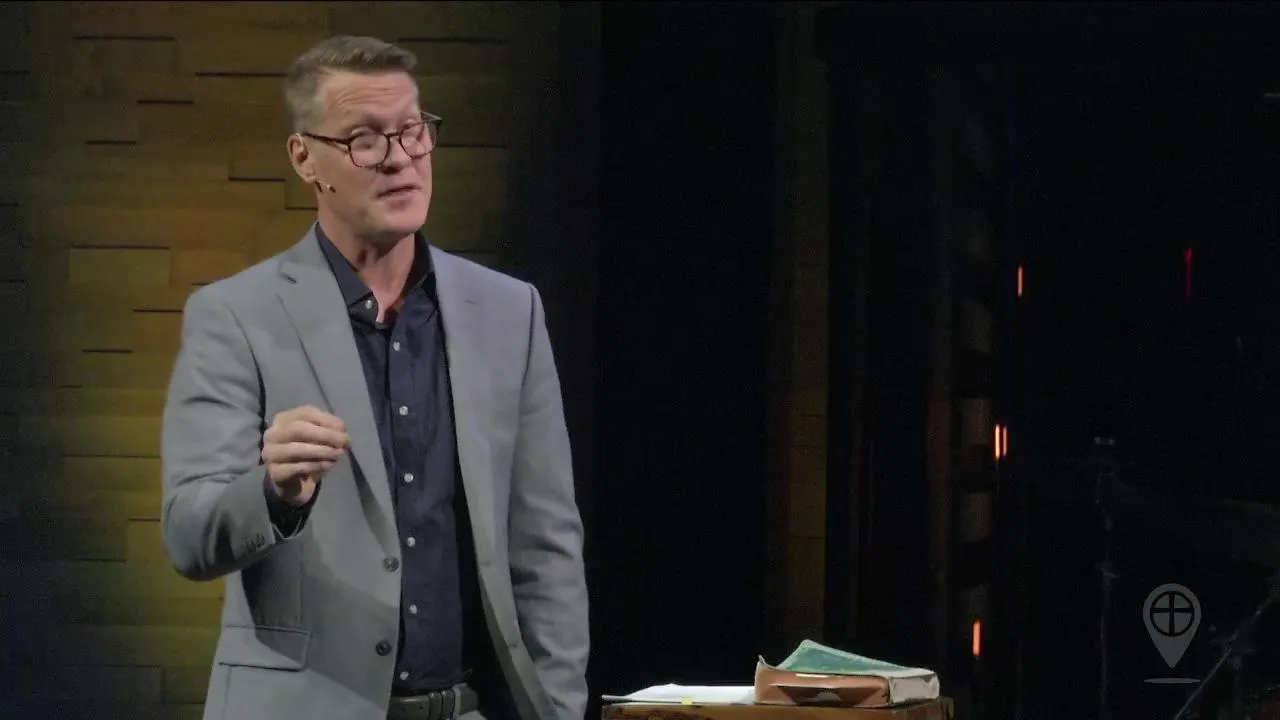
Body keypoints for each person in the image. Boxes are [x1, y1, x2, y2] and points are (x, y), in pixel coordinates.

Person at [159, 35, 589, 720]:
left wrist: (559, 706)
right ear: (305, 157)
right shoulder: (235, 315)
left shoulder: (509, 312)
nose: (399, 159)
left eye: (412, 131)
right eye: (364, 139)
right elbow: (189, 535)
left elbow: (547, 544)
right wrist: (272, 492)